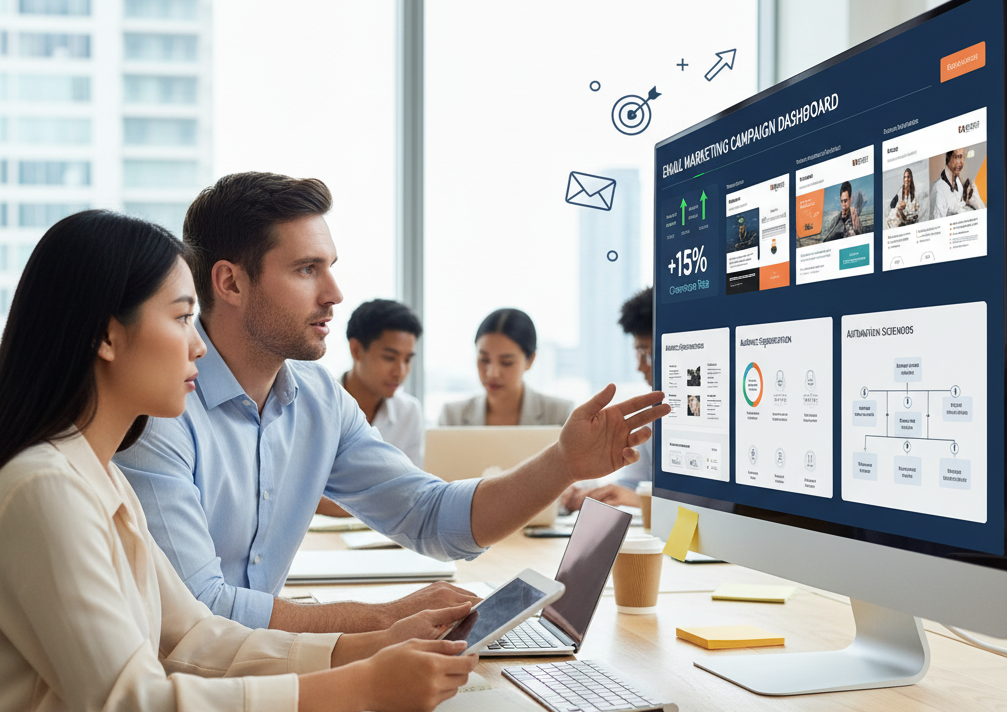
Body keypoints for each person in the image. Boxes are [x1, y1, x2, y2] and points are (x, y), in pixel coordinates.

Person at [0, 210, 478, 712]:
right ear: (106, 334)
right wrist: (359, 685)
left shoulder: (92, 474)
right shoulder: (43, 490)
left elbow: (193, 633)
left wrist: (365, 648)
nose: (197, 344)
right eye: (182, 316)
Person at [115, 172, 667, 637]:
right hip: (179, 706)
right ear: (230, 282)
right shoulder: (158, 411)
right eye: (307, 269)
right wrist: (385, 620)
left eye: (330, 265)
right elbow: (198, 615)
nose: (334, 292)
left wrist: (563, 463)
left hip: (259, 672)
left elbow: (432, 518)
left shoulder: (318, 399)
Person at [314, 298, 424, 519]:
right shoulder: (314, 405)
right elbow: (300, 495)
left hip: (386, 536)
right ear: (356, 350)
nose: (400, 371)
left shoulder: (409, 411)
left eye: (407, 360)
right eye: (390, 357)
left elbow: (412, 491)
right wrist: (383, 501)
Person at [561, 287, 653, 512]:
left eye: (646, 353)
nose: (640, 366)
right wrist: (595, 495)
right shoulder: (652, 412)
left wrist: (640, 501)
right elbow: (633, 483)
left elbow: (707, 503)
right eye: (638, 352)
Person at [439, 308, 574, 426]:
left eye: (506, 362)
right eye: (484, 360)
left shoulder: (559, 415)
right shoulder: (452, 417)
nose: (492, 373)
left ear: (530, 360)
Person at [931, 148, 985, 217]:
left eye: (963, 157)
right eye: (958, 157)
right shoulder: (939, 190)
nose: (962, 162)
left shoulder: (959, 183)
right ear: (948, 157)